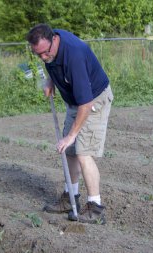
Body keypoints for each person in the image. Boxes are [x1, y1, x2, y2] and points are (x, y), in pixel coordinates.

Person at [26, 24, 113, 224]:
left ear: (54, 41)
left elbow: (86, 103)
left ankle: (95, 207)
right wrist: (51, 80)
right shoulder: (49, 45)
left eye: (44, 53)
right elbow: (51, 61)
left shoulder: (74, 56)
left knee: (83, 151)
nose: (42, 58)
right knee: (70, 151)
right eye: (37, 55)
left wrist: (72, 135)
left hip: (93, 101)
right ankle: (70, 198)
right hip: (76, 100)